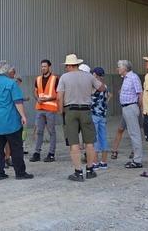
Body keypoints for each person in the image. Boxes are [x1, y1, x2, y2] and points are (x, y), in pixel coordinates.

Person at [0, 60, 33, 180]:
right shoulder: (11, 83)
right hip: (10, 121)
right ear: (7, 70)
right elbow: (18, 101)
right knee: (16, 147)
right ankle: (20, 173)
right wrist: (23, 116)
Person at [57, 54, 102, 182]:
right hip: (86, 110)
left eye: (66, 66)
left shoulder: (64, 78)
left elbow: (60, 96)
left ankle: (78, 172)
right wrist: (91, 90)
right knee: (89, 142)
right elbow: (101, 88)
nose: (66, 68)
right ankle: (89, 170)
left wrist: (61, 111)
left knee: (74, 143)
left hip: (70, 110)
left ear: (70, 65)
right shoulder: (88, 76)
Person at [111, 60, 144, 168]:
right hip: (126, 108)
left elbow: (140, 94)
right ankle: (136, 158)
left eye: (119, 67)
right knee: (132, 133)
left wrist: (138, 108)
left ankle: (137, 160)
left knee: (134, 133)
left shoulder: (133, 77)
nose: (117, 69)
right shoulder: (126, 78)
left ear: (125, 68)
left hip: (131, 107)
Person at [30, 59, 59, 163]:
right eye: (42, 66)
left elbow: (58, 94)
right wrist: (37, 98)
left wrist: (47, 99)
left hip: (50, 109)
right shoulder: (38, 79)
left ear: (49, 67)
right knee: (39, 132)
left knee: (51, 132)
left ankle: (51, 154)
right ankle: (37, 153)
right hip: (40, 108)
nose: (43, 68)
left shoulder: (55, 79)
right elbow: (35, 91)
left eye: (45, 66)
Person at [90, 67, 110, 170]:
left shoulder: (93, 87)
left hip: (93, 114)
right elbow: (106, 100)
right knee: (103, 138)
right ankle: (104, 162)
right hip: (103, 115)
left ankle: (95, 162)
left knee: (94, 139)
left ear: (95, 75)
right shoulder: (105, 86)